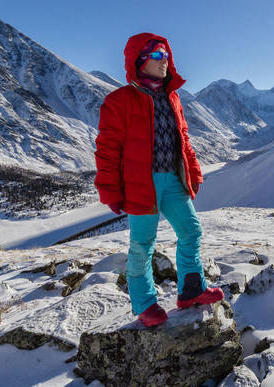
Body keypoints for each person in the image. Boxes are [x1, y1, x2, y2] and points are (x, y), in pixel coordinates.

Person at [94, 32, 224, 327]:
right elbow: (107, 150)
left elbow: (184, 140)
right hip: (142, 183)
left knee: (191, 231)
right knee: (143, 245)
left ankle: (191, 290)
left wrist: (193, 171)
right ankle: (145, 304)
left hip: (172, 180)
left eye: (166, 55)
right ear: (140, 60)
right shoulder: (119, 102)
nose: (164, 61)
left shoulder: (173, 98)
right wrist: (110, 190)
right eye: (156, 55)